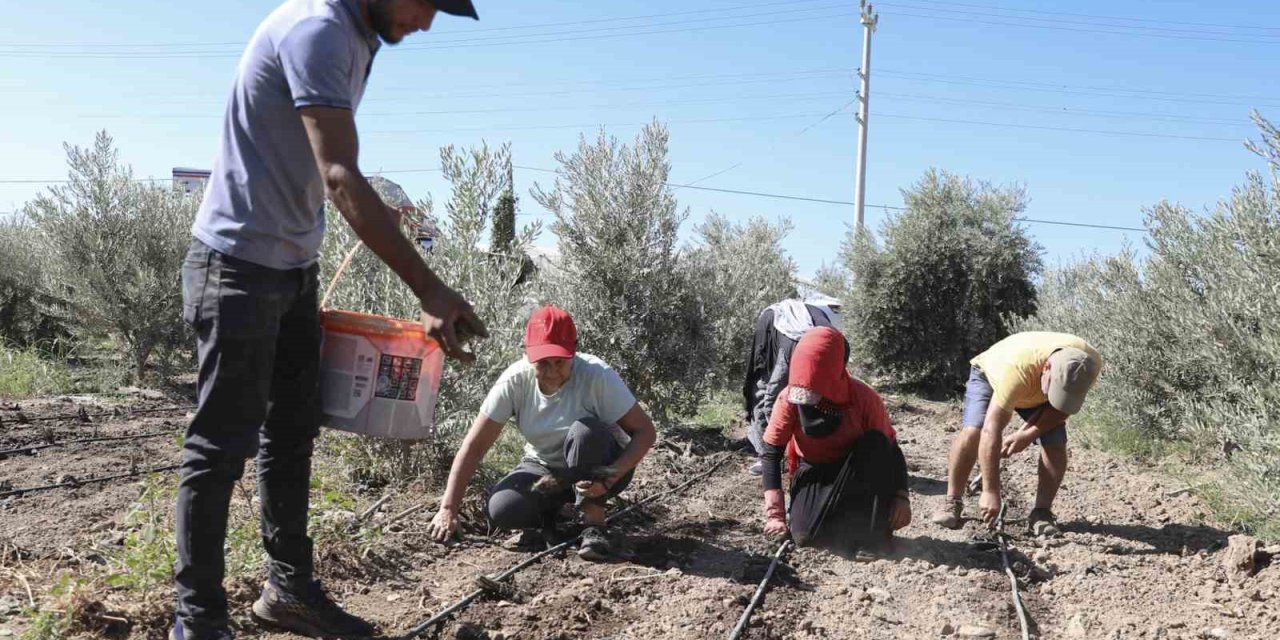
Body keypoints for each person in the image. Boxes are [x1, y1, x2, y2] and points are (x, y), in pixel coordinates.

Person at [174, 2, 484, 639]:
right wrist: (429, 288)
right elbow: (339, 175)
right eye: (427, 2)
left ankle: (288, 590)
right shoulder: (316, 29)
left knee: (289, 433)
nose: (428, 21)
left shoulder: (358, 35)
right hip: (236, 263)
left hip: (290, 268)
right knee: (220, 445)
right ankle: (196, 621)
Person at [428, 305, 657, 561]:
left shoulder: (597, 375)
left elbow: (645, 432)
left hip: (603, 464)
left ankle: (594, 524)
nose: (552, 371)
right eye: (543, 363)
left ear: (574, 351)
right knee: (503, 509)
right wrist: (448, 508)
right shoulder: (514, 381)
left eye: (560, 362)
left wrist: (610, 478)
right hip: (547, 468)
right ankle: (556, 513)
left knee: (585, 432)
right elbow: (474, 446)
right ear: (527, 355)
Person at [931, 332, 1102, 536]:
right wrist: (991, 491)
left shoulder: (1087, 365)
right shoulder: (1018, 369)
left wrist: (1028, 435)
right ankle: (953, 500)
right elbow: (991, 429)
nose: (1054, 397)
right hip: (990, 376)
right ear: (1047, 368)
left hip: (1034, 386)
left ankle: (1042, 512)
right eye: (1056, 389)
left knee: (1055, 444)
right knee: (973, 431)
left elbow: (1061, 409)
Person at [761, 327, 912, 550]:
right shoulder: (789, 399)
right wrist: (775, 516)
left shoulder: (863, 397)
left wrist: (902, 496)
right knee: (805, 538)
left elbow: (890, 447)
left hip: (856, 473)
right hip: (813, 472)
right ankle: (838, 524)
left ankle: (872, 535)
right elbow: (771, 453)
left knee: (875, 442)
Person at [742, 299, 841, 475]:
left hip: (805, 350)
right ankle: (770, 455)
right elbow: (770, 396)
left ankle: (814, 451)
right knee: (769, 396)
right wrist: (773, 450)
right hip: (786, 349)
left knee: (817, 398)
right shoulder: (780, 334)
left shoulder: (829, 342)